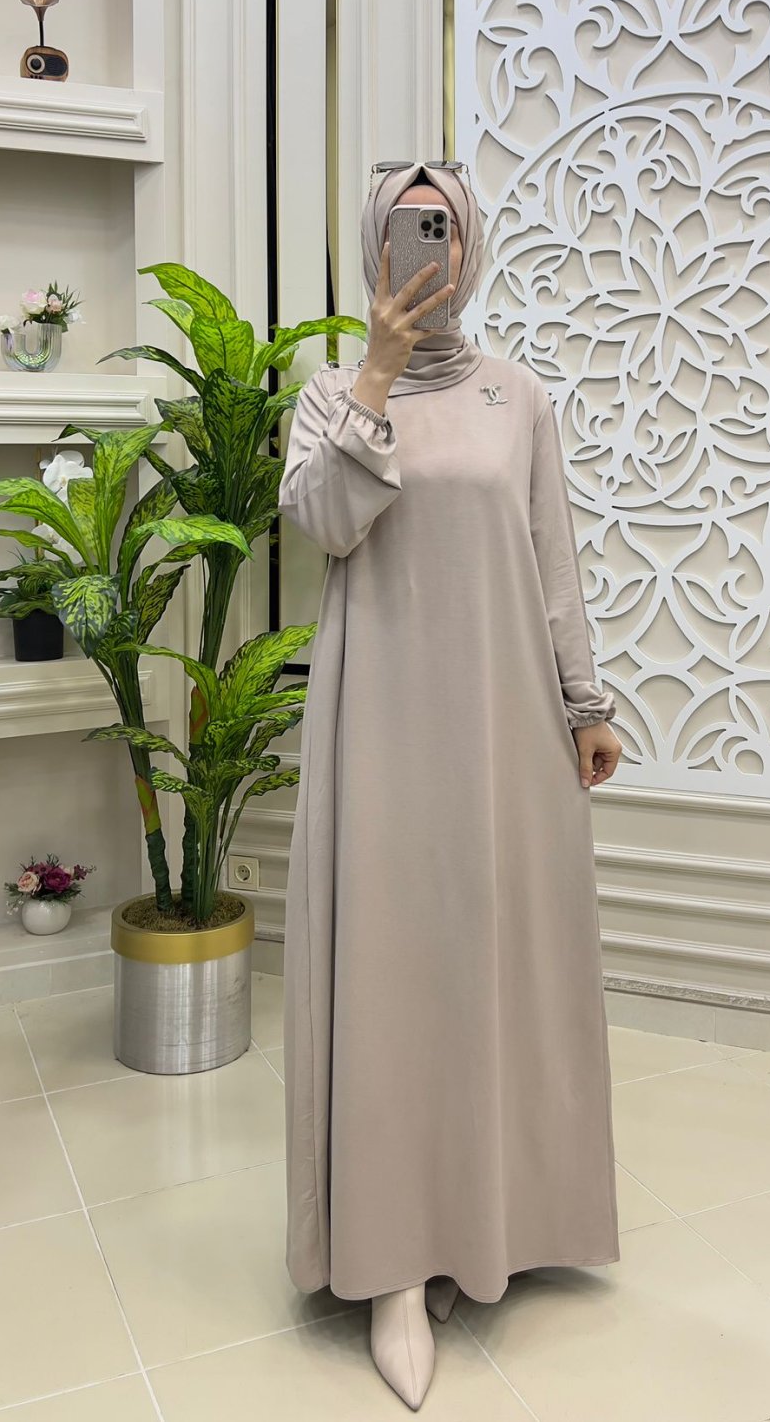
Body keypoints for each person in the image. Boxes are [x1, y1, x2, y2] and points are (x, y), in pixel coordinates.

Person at [278, 162, 623, 1411]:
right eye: (407, 228)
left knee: (490, 963)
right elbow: (323, 522)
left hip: (501, 726)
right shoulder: (329, 393)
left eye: (446, 229)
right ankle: (390, 1262)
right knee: (389, 976)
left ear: (470, 246)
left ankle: (489, 1216)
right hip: (378, 724)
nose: (431, 249)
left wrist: (584, 702)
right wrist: (375, 374)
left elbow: (550, 557)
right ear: (376, 246)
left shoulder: (514, 394)